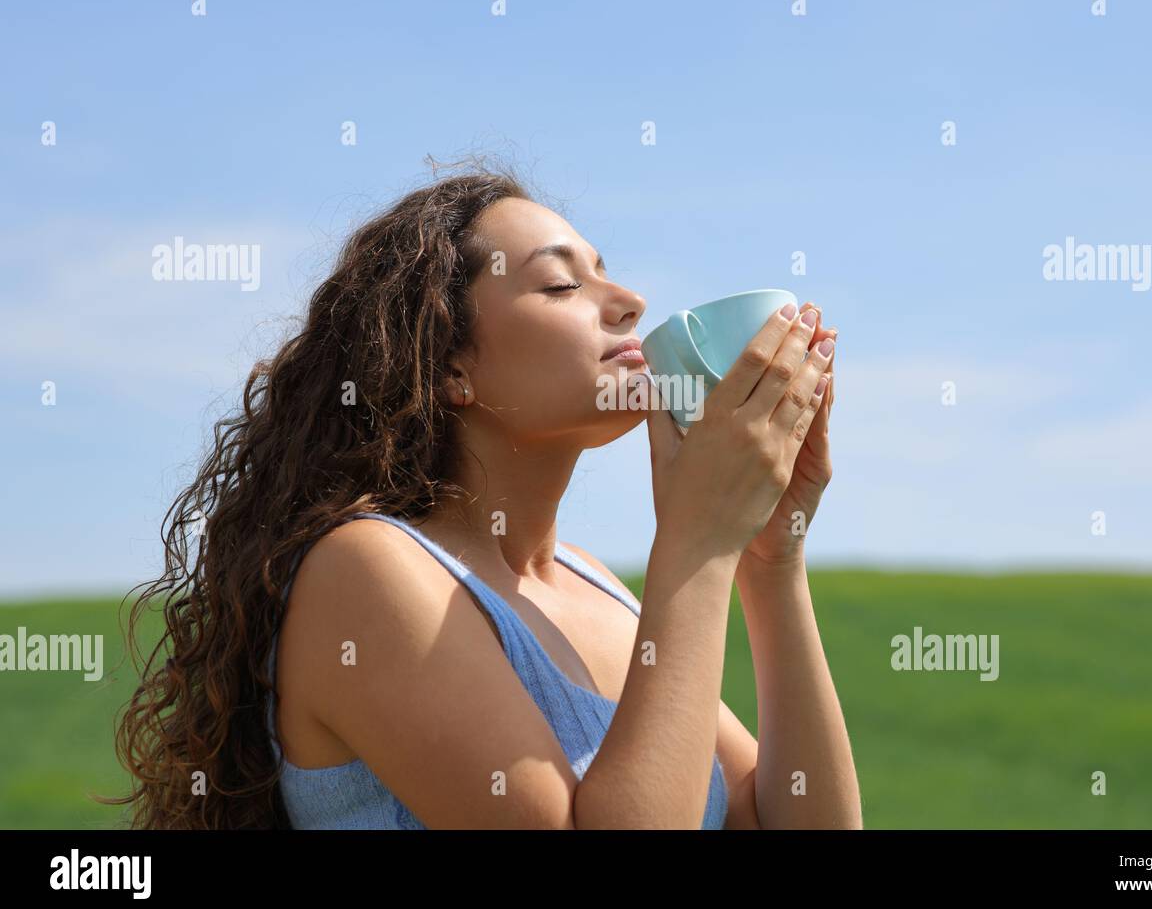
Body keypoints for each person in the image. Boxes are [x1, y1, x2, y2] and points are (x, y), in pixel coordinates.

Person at [110, 155, 860, 829]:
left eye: (607, 271)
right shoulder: (365, 574)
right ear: (448, 367)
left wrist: (769, 557)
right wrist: (697, 545)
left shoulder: (599, 592)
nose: (630, 300)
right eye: (563, 283)